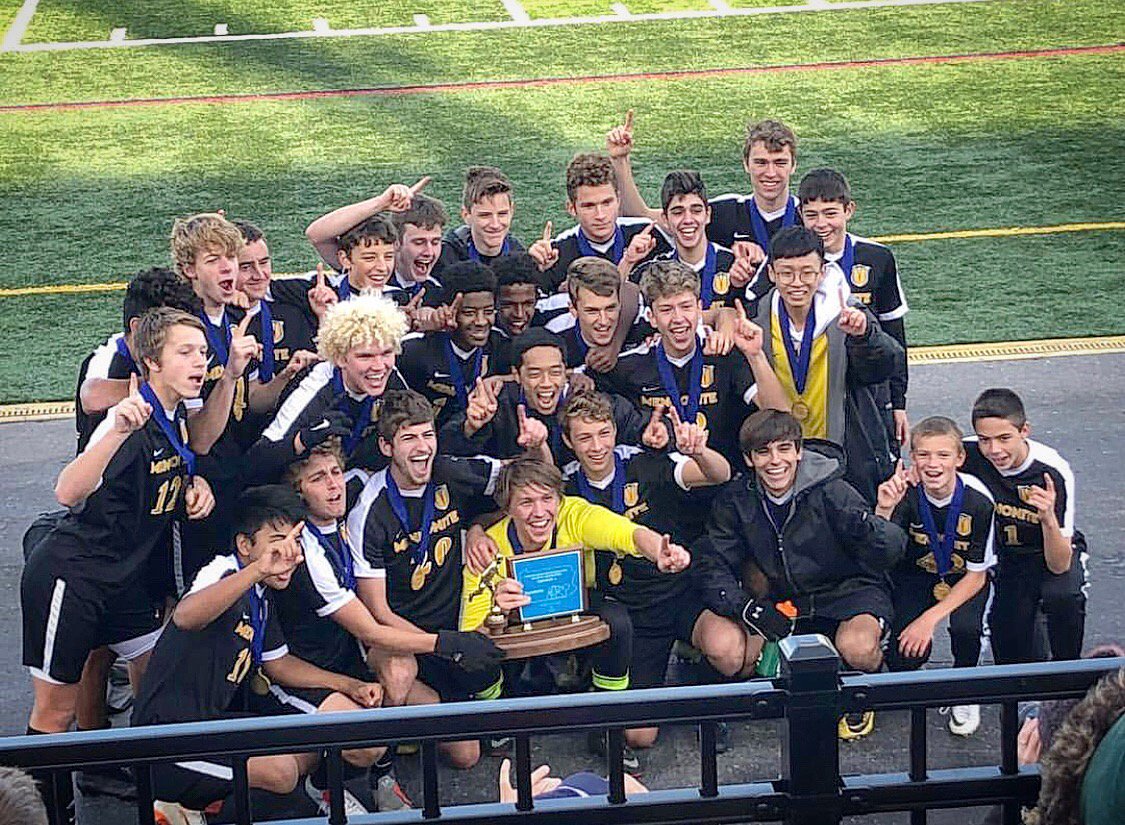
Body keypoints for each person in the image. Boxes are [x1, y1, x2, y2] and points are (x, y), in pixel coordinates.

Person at [21, 309, 217, 818]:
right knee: (55, 713)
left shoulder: (175, 414)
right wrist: (114, 431)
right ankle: (41, 811)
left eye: (202, 351)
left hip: (125, 582)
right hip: (74, 577)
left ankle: (152, 790)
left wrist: (195, 486)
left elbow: (173, 467)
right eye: (185, 352)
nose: (200, 361)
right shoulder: (128, 417)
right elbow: (68, 491)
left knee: (156, 684)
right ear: (151, 361)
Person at [132, 486, 382, 819]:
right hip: (168, 739)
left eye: (295, 541)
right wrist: (258, 570)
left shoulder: (261, 597)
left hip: (211, 724)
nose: (289, 553)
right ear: (245, 545)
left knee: (309, 749)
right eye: (277, 542)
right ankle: (185, 810)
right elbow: (186, 616)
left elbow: (279, 663)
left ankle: (199, 809)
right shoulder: (223, 571)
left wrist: (349, 685)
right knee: (281, 773)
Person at [460, 455, 690, 766]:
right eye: (526, 502)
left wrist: (659, 550)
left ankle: (606, 721)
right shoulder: (488, 548)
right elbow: (469, 639)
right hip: (514, 626)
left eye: (547, 499)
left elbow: (626, 533)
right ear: (508, 508)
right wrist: (496, 613)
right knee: (478, 654)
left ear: (559, 499)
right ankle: (495, 716)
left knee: (617, 621)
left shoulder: (574, 513)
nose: (539, 512)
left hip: (574, 607)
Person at [693, 409, 906, 740]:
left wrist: (880, 519)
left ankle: (867, 684)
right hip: (782, 598)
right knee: (738, 659)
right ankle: (713, 689)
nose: (775, 461)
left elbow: (888, 553)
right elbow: (711, 564)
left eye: (784, 449)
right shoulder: (736, 499)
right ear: (749, 459)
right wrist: (746, 608)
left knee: (858, 647)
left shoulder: (834, 491)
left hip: (845, 591)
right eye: (763, 452)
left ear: (798, 452)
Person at [560, 390, 730, 752]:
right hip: (629, 611)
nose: (596, 446)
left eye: (604, 433)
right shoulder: (564, 486)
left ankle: (699, 691)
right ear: (568, 441)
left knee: (728, 651)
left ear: (615, 430)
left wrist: (699, 452)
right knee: (639, 737)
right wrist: (479, 532)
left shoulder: (645, 462)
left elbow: (719, 474)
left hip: (676, 593)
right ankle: (617, 688)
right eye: (584, 437)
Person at [346, 391, 505, 769]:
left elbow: (526, 482)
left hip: (451, 628)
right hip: (401, 640)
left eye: (427, 435)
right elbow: (378, 614)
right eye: (408, 438)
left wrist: (478, 527)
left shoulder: (450, 472)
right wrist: (444, 645)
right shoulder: (369, 510)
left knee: (466, 756)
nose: (422, 448)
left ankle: (425, 723)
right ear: (386, 447)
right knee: (400, 671)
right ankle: (381, 766)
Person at [751, 225, 902, 503]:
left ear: (822, 272)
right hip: (780, 459)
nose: (797, 282)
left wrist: (864, 336)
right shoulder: (756, 320)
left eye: (807, 272)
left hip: (846, 455)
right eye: (786, 273)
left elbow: (884, 367)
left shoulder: (847, 313)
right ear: (771, 273)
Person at [597, 259, 789, 467]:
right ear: (652, 317)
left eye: (686, 306)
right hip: (660, 480)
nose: (678, 318)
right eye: (666, 309)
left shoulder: (724, 354)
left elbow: (781, 417)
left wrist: (755, 355)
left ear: (699, 309)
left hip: (729, 479)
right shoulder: (628, 366)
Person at [874, 416, 996, 736]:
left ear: (960, 458)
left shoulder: (979, 501)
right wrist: (884, 510)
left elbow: (977, 577)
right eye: (924, 455)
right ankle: (912, 662)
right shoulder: (904, 493)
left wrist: (927, 620)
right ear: (912, 458)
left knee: (967, 630)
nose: (933, 464)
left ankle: (966, 687)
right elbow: (878, 555)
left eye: (943, 455)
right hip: (917, 575)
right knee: (903, 657)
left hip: (963, 578)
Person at [963, 388, 1084, 664]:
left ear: (1024, 430)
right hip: (1006, 558)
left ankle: (1069, 673)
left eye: (1004, 438)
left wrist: (1048, 518)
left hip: (1046, 550)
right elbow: (934, 456)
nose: (994, 450)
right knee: (1012, 651)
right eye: (984, 439)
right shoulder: (967, 454)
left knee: (1063, 597)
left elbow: (1059, 564)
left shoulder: (1051, 470)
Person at [797, 168, 910, 447]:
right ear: (800, 214)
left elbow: (894, 334)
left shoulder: (877, 257)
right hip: (812, 386)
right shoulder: (791, 259)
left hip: (867, 389)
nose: (821, 224)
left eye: (830, 213)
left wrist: (898, 403)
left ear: (849, 210)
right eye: (812, 215)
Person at [248, 294, 410, 481]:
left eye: (387, 353)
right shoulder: (316, 385)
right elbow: (256, 460)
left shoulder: (392, 378)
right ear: (340, 358)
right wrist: (303, 440)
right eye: (365, 356)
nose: (379, 366)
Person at [608, 114, 799, 273]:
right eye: (761, 163)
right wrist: (620, 159)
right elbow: (641, 215)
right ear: (746, 164)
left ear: (793, 165)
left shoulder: (808, 215)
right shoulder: (725, 212)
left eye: (780, 163)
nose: (770, 173)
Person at [442, 328, 657, 466]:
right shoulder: (496, 405)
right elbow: (445, 449)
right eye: (535, 374)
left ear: (566, 371)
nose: (546, 383)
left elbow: (641, 426)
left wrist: (658, 435)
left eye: (555, 372)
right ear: (516, 375)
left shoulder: (587, 400)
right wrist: (470, 427)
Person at [75, 267, 201, 454]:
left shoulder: (187, 355)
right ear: (136, 327)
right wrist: (162, 382)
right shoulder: (110, 357)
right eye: (169, 327)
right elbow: (91, 397)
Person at [526, 152, 668, 292]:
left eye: (607, 203)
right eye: (589, 206)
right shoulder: (556, 254)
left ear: (618, 200)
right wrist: (533, 269)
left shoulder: (647, 234)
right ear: (571, 208)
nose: (600, 215)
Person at [396, 261, 511, 429]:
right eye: (469, 313)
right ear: (448, 309)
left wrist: (500, 379)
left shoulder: (500, 345)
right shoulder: (416, 348)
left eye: (488, 312)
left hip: (477, 436)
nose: (481, 321)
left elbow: (527, 374)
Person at [639, 170, 761, 312]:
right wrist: (628, 261)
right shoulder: (654, 272)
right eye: (678, 212)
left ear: (708, 215)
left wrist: (738, 287)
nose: (688, 220)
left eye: (696, 211)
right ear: (665, 219)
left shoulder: (735, 265)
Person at [544, 256, 647, 371]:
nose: (604, 321)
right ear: (573, 309)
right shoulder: (555, 340)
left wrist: (615, 343)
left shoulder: (643, 324)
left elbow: (630, 289)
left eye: (610, 308)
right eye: (592, 311)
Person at [434, 167, 525, 274]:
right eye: (485, 215)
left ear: (512, 211)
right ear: (466, 215)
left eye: (502, 214)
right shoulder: (444, 258)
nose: (495, 225)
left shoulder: (520, 256)